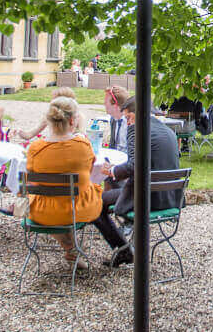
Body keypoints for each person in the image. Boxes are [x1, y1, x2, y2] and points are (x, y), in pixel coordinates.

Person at [93, 95, 180, 266]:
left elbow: (134, 166)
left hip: (146, 200)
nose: (128, 123)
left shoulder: (137, 130)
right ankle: (126, 235)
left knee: (95, 203)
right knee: (117, 189)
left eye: (128, 118)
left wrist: (112, 171)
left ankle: (124, 251)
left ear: (137, 114)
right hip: (169, 198)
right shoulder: (167, 131)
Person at [25, 96, 103, 270]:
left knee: (54, 201)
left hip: (42, 212)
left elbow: (31, 178)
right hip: (78, 209)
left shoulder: (35, 148)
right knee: (80, 194)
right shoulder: (82, 145)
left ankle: (69, 246)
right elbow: (88, 173)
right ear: (73, 120)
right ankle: (71, 247)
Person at [15, 86, 82, 142]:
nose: (51, 102)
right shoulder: (50, 115)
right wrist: (18, 131)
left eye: (54, 99)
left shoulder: (77, 117)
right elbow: (29, 135)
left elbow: (81, 135)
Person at [100, 85, 131, 153]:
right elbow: (112, 145)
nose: (104, 104)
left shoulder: (131, 123)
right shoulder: (113, 119)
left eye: (106, 101)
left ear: (115, 105)